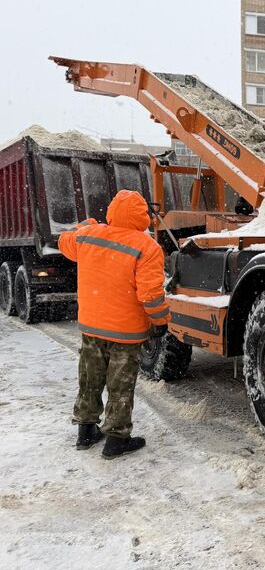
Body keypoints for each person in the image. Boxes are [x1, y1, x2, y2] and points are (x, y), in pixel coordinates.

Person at [59, 190, 171, 459]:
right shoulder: (146, 247)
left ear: (111, 212)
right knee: (120, 385)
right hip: (126, 331)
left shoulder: (88, 236)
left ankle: (85, 432)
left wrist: (86, 223)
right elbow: (150, 294)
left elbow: (64, 242)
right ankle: (116, 439)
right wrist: (160, 321)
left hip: (91, 326)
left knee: (90, 378)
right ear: (142, 216)